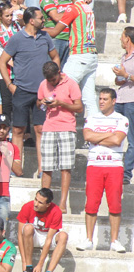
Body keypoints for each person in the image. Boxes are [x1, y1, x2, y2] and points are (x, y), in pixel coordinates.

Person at [0, 7, 59, 178]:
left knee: (40, 129)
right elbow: (2, 62)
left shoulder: (45, 36)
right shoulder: (16, 39)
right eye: (41, 17)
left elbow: (55, 57)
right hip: (21, 90)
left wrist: (54, 78)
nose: (44, 20)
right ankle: (17, 169)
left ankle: (41, 170)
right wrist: (10, 85)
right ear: (31, 20)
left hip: (42, 92)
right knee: (17, 129)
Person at [77, 89, 129, 253]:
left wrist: (97, 136)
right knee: (91, 203)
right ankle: (88, 239)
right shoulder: (91, 118)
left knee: (114, 204)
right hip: (94, 164)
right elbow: (87, 137)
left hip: (114, 165)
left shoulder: (121, 119)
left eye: (105, 99)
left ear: (114, 101)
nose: (101, 102)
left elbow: (117, 140)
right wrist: (107, 134)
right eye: (100, 98)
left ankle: (114, 241)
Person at [43, 0, 98, 118]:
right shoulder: (87, 7)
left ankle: (60, 122)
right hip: (91, 56)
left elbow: (55, 32)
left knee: (62, 88)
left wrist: (35, 28)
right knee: (89, 99)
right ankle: (93, 131)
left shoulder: (73, 9)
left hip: (79, 55)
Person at [37, 61, 83, 212]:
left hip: (67, 127)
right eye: (49, 80)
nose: (51, 82)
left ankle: (62, 203)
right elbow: (38, 102)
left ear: (59, 73)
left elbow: (79, 107)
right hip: (49, 127)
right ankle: (43, 201)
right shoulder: (43, 84)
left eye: (53, 79)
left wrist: (61, 103)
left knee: (65, 167)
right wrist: (42, 102)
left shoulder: (71, 84)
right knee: (47, 167)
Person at [17, 188, 68, 272]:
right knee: (27, 228)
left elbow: (48, 240)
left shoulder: (56, 211)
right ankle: (28, 269)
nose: (35, 204)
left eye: (40, 202)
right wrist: (23, 262)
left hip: (48, 236)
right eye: (35, 199)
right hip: (33, 236)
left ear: (48, 204)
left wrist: (40, 264)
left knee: (63, 236)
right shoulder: (27, 207)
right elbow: (20, 235)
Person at [0, 114, 22, 225]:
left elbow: (19, 171)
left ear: (9, 129)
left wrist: (7, 155)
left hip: (3, 194)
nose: (1, 131)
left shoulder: (13, 148)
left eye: (4, 128)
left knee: (1, 229)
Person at [114, 26, 134, 184]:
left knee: (131, 139)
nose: (120, 39)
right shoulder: (123, 56)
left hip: (131, 100)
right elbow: (121, 80)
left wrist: (125, 75)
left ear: (128, 38)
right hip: (120, 99)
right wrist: (119, 77)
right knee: (115, 135)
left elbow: (128, 76)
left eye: (122, 36)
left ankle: (126, 173)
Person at [40, 0, 72, 66]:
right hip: (56, 38)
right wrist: (73, 12)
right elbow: (56, 16)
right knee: (53, 70)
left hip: (69, 38)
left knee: (65, 73)